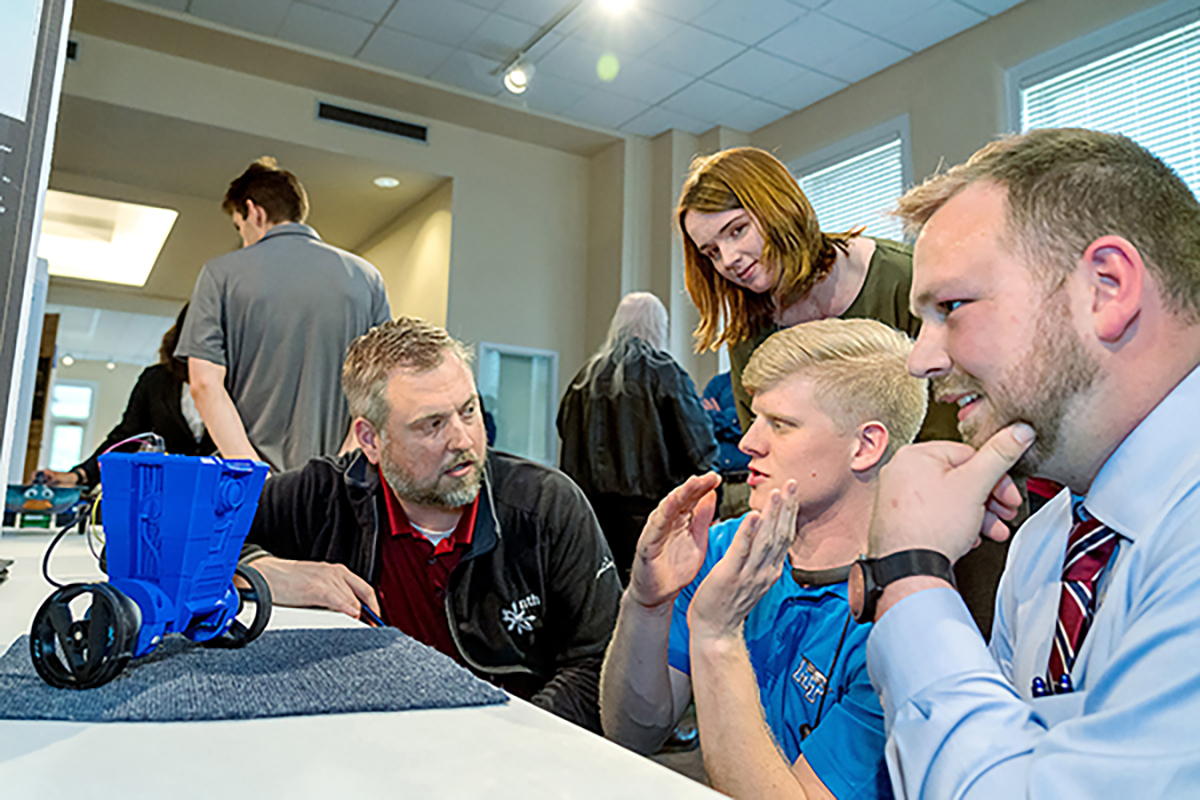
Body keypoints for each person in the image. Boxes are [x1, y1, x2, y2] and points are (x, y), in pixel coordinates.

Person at [855, 128, 1200, 796]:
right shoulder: (1048, 540)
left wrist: (911, 574)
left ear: (1107, 287)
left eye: (951, 306)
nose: (919, 360)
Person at [673, 147, 1009, 638]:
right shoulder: (750, 332)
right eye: (710, 252)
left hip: (953, 524)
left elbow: (963, 422)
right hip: (830, 543)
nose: (729, 260)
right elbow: (769, 457)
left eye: (737, 230)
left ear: (777, 207)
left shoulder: (901, 279)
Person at [241, 317, 621, 733]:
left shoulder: (549, 507)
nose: (463, 440)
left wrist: (500, 744)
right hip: (361, 746)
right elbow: (174, 547)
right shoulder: (321, 497)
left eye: (469, 410)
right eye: (432, 424)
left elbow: (597, 668)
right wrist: (260, 572)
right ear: (370, 440)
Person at [602, 318, 929, 799]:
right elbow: (632, 733)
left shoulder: (901, 622)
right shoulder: (720, 550)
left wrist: (715, 635)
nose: (748, 442)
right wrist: (646, 603)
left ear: (865, 446)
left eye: (781, 424)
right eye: (754, 418)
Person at [175, 157, 391, 472]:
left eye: (240, 227)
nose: (243, 239)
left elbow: (204, 385)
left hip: (255, 490)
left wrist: (257, 476)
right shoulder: (367, 277)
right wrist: (345, 463)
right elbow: (383, 385)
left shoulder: (220, 275)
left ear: (254, 212)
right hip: (340, 487)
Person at [557, 292, 717, 582]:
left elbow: (565, 432)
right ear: (658, 327)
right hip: (654, 515)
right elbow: (698, 445)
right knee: (654, 600)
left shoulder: (585, 378)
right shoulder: (664, 372)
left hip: (593, 519)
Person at [41, 304, 214, 487]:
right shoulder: (155, 380)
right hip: (170, 490)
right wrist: (81, 475)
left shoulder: (238, 384)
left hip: (226, 494)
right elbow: (127, 437)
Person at [702, 371, 752, 519]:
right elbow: (703, 425)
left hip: (747, 485)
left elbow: (748, 426)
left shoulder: (756, 383)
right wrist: (733, 419)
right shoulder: (717, 384)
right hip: (719, 486)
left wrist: (718, 418)